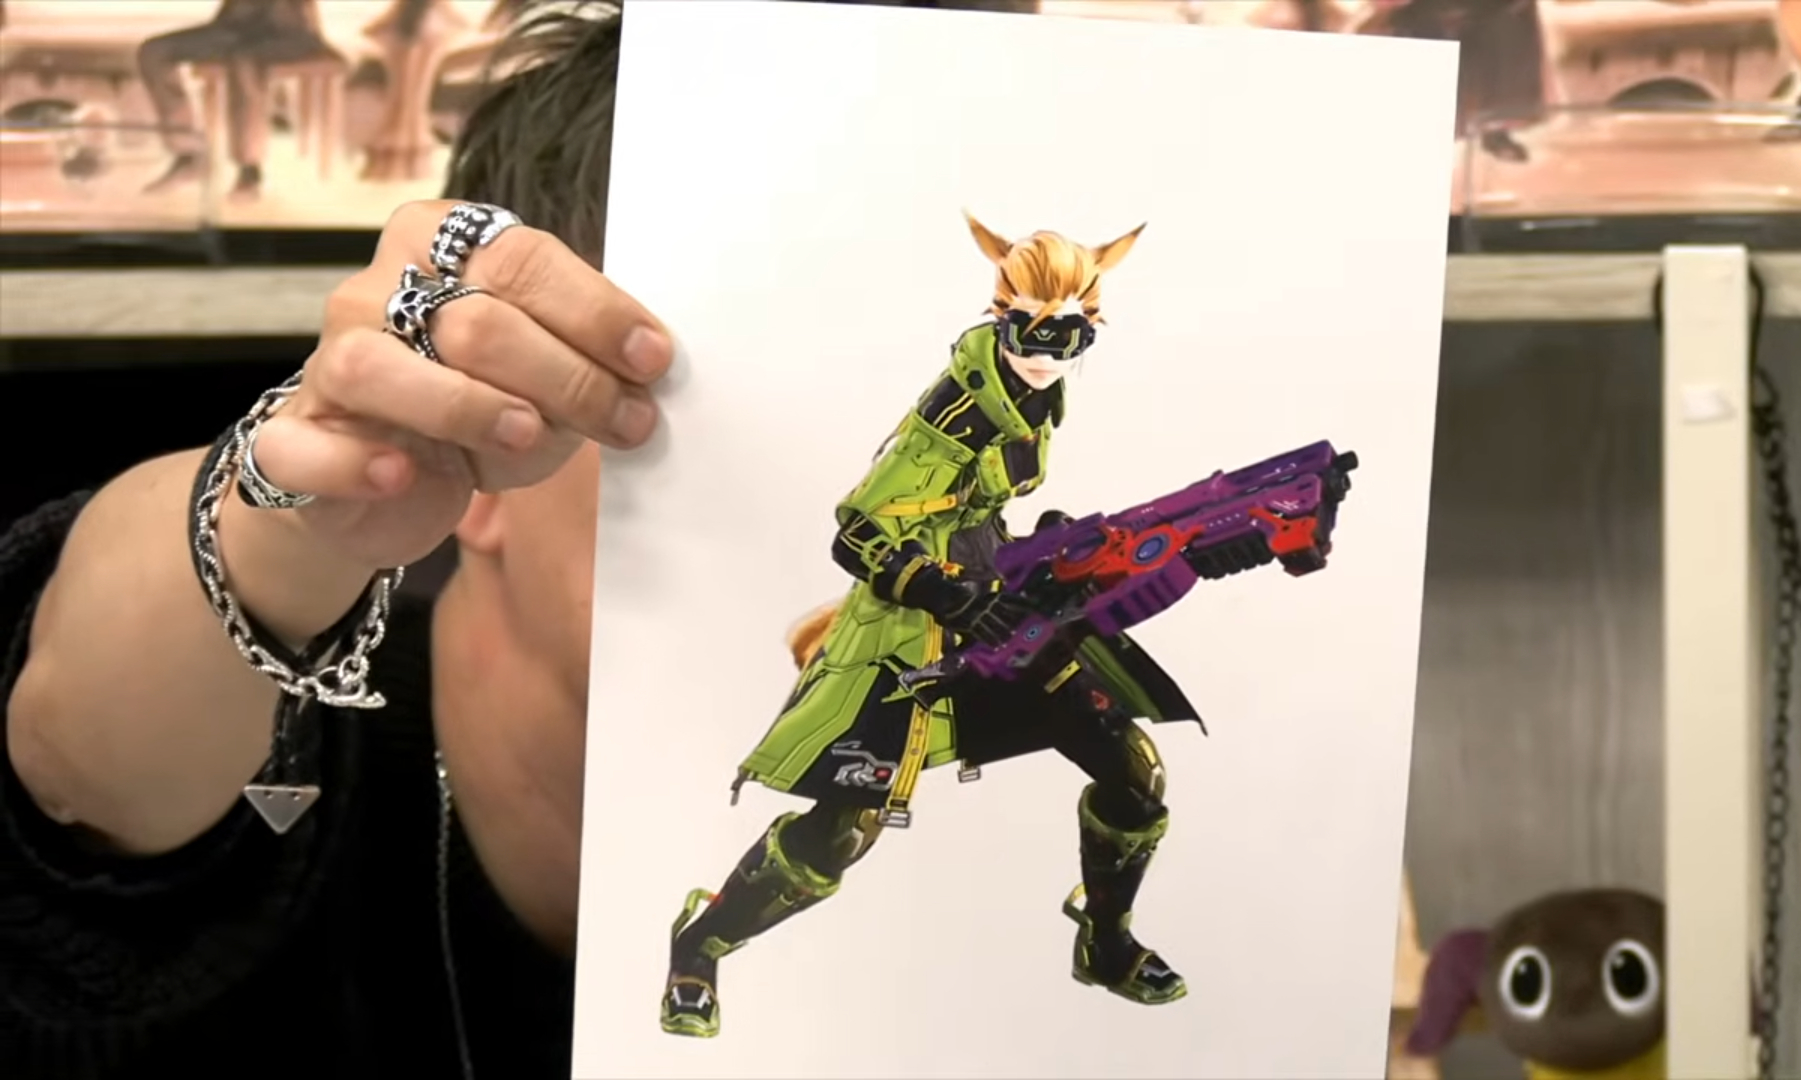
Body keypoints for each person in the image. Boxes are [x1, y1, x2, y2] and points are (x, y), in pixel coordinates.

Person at [5, 4, 1052, 1079]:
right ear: (484, 420)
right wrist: (275, 520)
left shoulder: (983, 838)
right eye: (767, 400)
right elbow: (75, 776)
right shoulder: (309, 767)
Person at [659, 215, 1203, 1040]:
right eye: (1034, 330)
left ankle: (1104, 941)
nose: (1050, 350)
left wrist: (1035, 547)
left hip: (1002, 611)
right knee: (840, 834)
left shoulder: (1034, 397)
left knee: (1133, 773)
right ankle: (699, 945)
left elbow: (971, 508)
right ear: (1001, 316)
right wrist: (948, 595)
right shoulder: (954, 416)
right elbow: (856, 531)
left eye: (1071, 335)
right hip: (911, 636)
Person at [136, 0, 342, 200]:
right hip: (234, 28)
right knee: (154, 51)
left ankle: (249, 171)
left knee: (244, 60)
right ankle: (188, 155)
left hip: (287, 31)